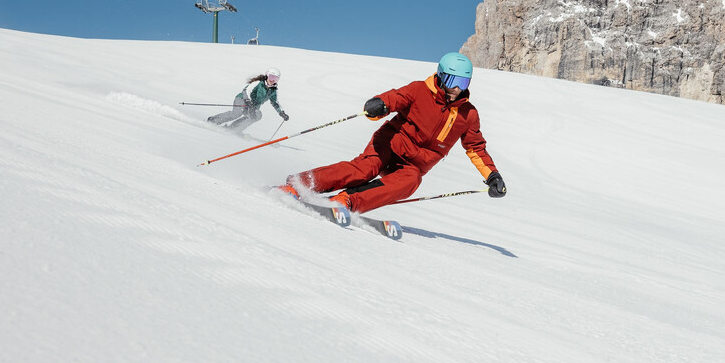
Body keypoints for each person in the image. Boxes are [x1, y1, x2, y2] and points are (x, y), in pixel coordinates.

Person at [276, 52, 506, 213]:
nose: (457, 88)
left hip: (413, 165)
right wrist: (379, 105)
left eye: (464, 82)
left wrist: (492, 175)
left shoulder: (469, 114)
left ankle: (344, 201)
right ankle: (298, 184)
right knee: (365, 169)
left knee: (411, 181)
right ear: (442, 76)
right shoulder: (420, 90)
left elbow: (476, 148)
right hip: (390, 144)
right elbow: (396, 98)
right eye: (453, 80)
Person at [207, 68, 289, 133]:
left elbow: (275, 103)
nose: (272, 80)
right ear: (267, 76)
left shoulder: (273, 91)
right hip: (242, 99)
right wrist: (249, 102)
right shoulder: (258, 83)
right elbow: (246, 91)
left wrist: (282, 113)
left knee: (257, 115)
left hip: (253, 107)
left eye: (275, 79)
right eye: (271, 77)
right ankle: (213, 120)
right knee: (237, 113)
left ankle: (233, 129)